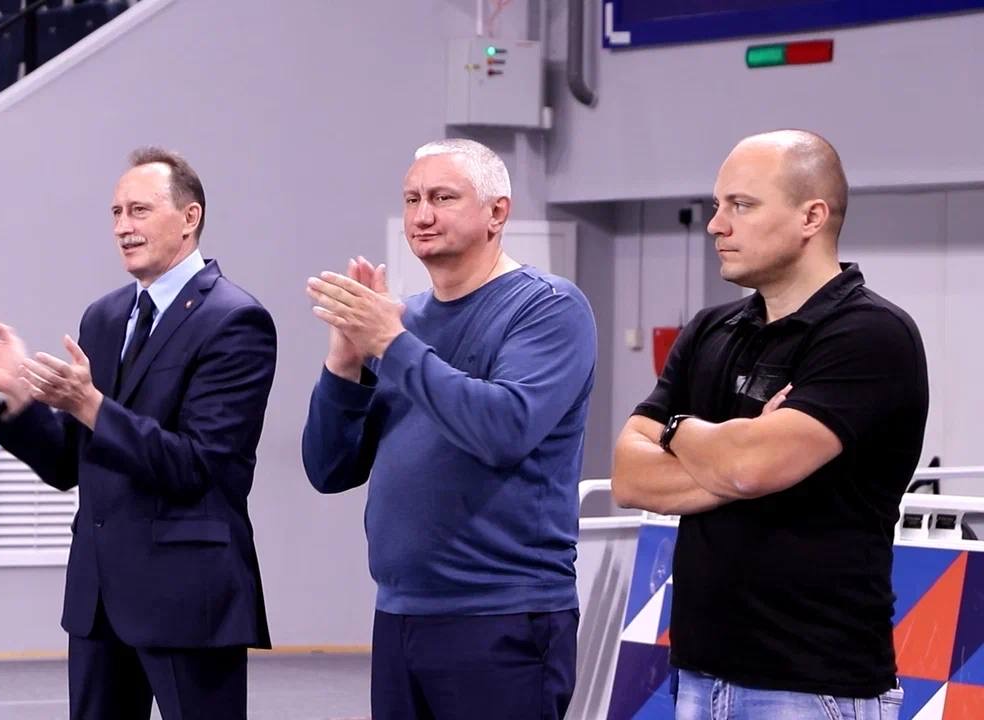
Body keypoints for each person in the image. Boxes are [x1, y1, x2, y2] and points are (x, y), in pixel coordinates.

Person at [0, 147, 276, 720]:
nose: (124, 227)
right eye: (117, 212)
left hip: (188, 594)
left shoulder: (234, 320)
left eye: (140, 210)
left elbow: (198, 466)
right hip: (99, 599)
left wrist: (90, 404)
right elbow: (68, 464)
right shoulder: (103, 317)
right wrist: (20, 396)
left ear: (190, 217)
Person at [610, 129, 924, 719]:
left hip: (813, 684)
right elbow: (629, 477)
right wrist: (731, 452)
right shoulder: (711, 329)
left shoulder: (870, 335)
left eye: (742, 205)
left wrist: (675, 432)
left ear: (811, 217)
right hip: (699, 675)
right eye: (717, 205)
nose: (716, 225)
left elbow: (751, 469)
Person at [301, 138, 596, 720]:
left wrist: (390, 343)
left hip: (503, 614)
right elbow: (329, 468)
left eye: (442, 197)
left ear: (497, 212)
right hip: (401, 612)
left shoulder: (549, 308)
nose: (422, 215)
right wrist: (345, 363)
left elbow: (502, 429)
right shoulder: (403, 322)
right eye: (412, 199)